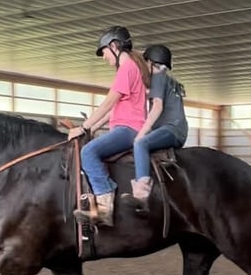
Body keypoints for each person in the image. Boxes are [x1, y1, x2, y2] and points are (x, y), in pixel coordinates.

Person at [67, 25, 150, 226]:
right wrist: (94, 128)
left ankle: (104, 208)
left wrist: (84, 127)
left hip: (129, 129)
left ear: (114, 46)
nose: (104, 57)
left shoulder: (127, 67)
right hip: (128, 127)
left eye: (104, 52)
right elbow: (116, 108)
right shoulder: (131, 67)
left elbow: (108, 102)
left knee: (88, 152)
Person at [124, 44, 188, 209]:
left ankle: (142, 195)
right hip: (177, 129)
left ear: (151, 63)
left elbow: (157, 107)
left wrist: (141, 134)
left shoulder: (158, 77)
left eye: (145, 63)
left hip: (171, 129)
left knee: (140, 143)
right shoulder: (170, 80)